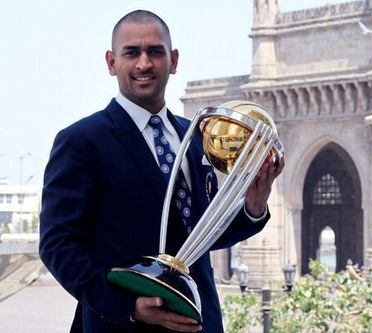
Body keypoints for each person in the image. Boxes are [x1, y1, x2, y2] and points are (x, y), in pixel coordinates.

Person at [39, 9, 284, 333]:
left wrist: (253, 207)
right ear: (112, 62)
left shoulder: (196, 138)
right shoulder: (82, 142)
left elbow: (202, 232)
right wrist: (127, 306)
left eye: (155, 52)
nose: (144, 63)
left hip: (201, 322)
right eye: (132, 52)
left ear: (174, 60)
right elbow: (58, 245)